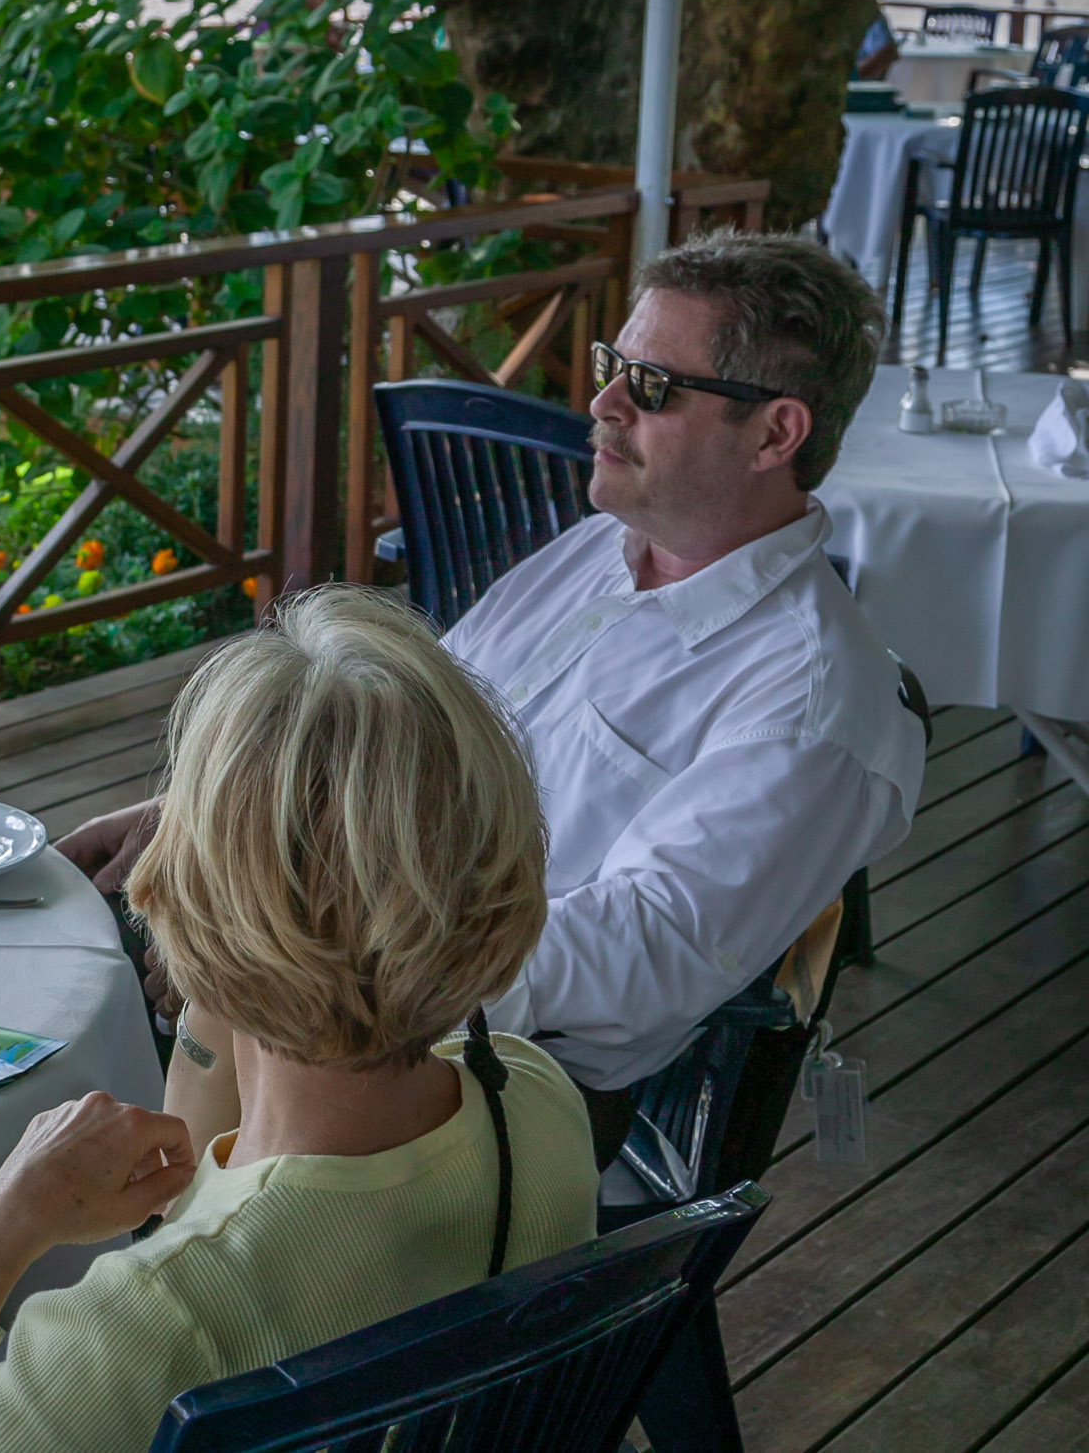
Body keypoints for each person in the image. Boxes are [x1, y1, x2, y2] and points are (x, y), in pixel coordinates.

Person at [65, 231, 925, 1162]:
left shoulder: (812, 705)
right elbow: (395, 733)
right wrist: (209, 814)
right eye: (611, 364)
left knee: (67, 1101)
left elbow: (632, 955)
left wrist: (297, 953)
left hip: (482, 1096)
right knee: (45, 980)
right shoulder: (603, 550)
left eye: (650, 385)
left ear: (775, 432)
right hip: (341, 980)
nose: (599, 404)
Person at [0, 588, 597, 1453]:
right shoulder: (533, 1100)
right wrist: (225, 943)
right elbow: (196, 1166)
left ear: (193, 897)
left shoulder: (148, 1326)